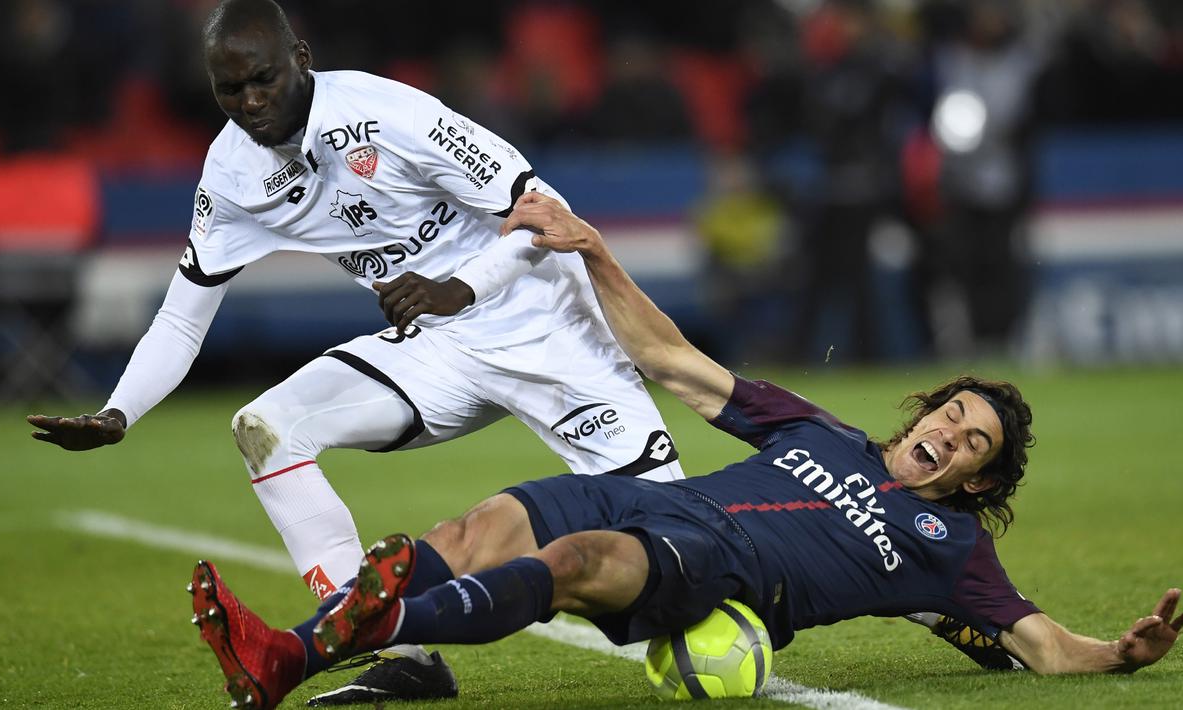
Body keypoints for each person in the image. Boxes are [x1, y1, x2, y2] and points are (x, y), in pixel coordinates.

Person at [188, 193, 1181, 709]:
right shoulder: (816, 428)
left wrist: (1117, 654)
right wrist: (591, 250)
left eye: (972, 444)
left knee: (571, 567)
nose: (947, 435)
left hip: (713, 569)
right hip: (652, 497)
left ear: (978, 479)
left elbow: (1041, 646)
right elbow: (671, 358)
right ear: (922, 409)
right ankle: (296, 649)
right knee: (477, 524)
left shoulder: (950, 549)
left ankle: (332, 639)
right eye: (951, 413)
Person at [25, 1, 684, 704]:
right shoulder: (231, 174)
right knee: (268, 429)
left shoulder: (387, 114)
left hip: (550, 330)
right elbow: (184, 319)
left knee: (679, 549)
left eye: (263, 81)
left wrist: (459, 287)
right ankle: (399, 652)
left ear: (301, 59)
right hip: (439, 347)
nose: (249, 103)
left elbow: (543, 210)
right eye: (229, 89)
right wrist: (119, 411)